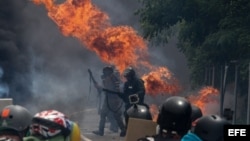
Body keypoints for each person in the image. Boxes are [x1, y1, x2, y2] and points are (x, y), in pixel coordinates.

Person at [92, 66, 126, 137]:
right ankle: (101, 131)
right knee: (103, 114)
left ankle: (123, 130)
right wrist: (98, 87)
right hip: (108, 99)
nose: (104, 74)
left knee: (117, 116)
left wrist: (101, 88)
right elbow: (104, 88)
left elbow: (115, 90)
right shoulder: (107, 79)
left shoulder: (114, 79)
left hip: (113, 100)